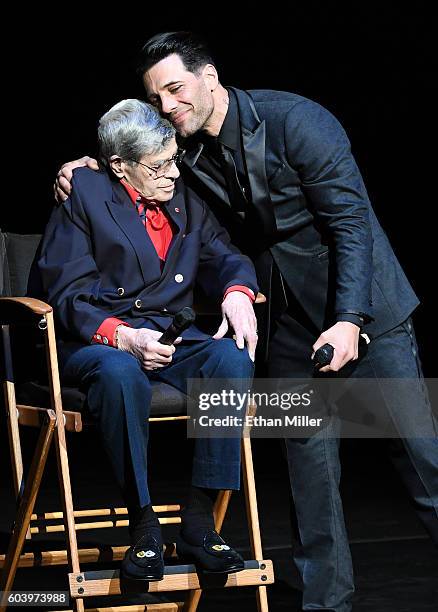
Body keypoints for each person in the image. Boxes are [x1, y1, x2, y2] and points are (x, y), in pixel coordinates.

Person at [55, 33, 438, 611]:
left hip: (365, 318)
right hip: (289, 331)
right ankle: (325, 605)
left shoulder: (296, 121)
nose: (167, 105)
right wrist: (89, 168)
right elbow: (132, 160)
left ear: (210, 76)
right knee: (311, 481)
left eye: (176, 89)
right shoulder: (185, 151)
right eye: (157, 97)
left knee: (421, 462)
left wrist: (350, 319)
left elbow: (352, 224)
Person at [41, 98, 259, 582]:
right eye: (158, 166)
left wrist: (239, 291)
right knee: (120, 375)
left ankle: (200, 519)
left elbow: (224, 254)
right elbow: (67, 294)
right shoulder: (83, 195)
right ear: (120, 166)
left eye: (173, 160)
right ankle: (143, 522)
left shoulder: (181, 197)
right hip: (98, 338)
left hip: (166, 335)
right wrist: (122, 336)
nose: (172, 174)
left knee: (230, 357)